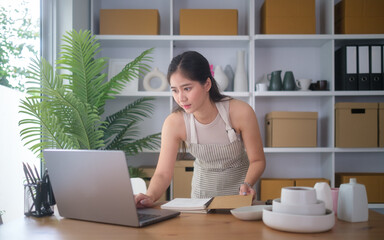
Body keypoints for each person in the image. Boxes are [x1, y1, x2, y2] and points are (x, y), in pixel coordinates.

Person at [135, 51, 265, 208]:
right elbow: (163, 173)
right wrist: (150, 196)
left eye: (187, 89)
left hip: (240, 198)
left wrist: (247, 184)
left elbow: (257, 160)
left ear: (207, 85)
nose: (180, 98)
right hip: (200, 201)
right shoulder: (174, 123)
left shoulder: (240, 112)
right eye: (175, 90)